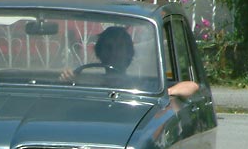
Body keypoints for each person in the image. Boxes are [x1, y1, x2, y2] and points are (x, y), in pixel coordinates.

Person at [60, 26, 199, 97]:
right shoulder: (88, 82)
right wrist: (68, 80)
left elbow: (192, 86)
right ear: (100, 52)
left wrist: (166, 93)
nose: (114, 53)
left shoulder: (141, 84)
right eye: (108, 47)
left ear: (129, 53)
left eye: (119, 47)